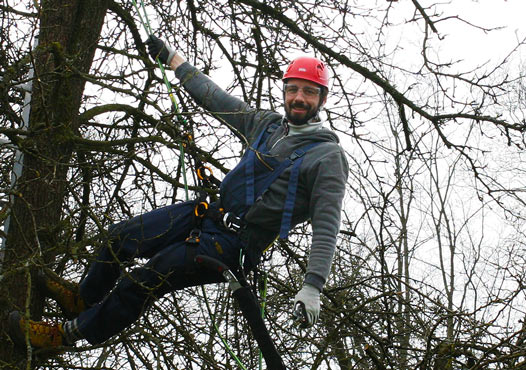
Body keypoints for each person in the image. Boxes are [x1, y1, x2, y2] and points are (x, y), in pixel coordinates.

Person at [7, 34, 349, 349]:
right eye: (294, 89)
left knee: (146, 279)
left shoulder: (326, 157)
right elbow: (216, 99)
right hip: (210, 214)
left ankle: (66, 335)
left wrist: (313, 285)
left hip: (233, 245)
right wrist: (174, 60)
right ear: (285, 90)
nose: (299, 98)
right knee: (123, 236)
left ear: (322, 98)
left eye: (309, 92)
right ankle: (82, 298)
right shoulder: (267, 124)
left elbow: (326, 224)